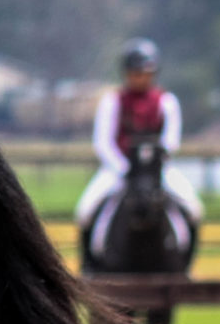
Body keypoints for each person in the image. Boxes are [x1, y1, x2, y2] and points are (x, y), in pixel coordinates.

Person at [74, 38, 203, 250]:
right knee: (85, 210)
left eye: (146, 73)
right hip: (118, 169)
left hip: (157, 170)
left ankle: (186, 267)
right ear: (126, 73)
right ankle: (89, 265)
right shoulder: (112, 101)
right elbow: (103, 142)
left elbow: (170, 142)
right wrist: (125, 168)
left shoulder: (166, 101)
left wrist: (150, 167)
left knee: (194, 208)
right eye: (136, 73)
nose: (141, 78)